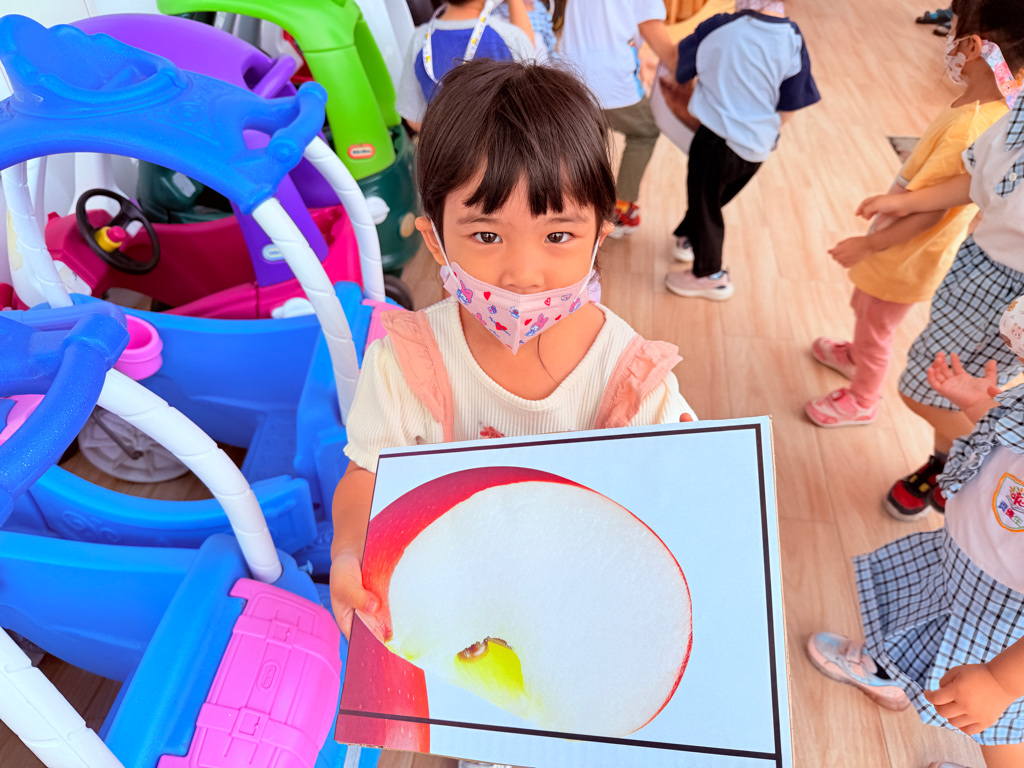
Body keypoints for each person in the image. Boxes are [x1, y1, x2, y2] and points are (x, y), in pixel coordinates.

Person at [330, 59, 697, 638]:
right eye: (486, 234)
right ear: (436, 240)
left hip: (576, 621)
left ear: (599, 235)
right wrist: (351, 549)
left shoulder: (634, 384)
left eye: (558, 235)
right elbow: (367, 474)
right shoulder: (408, 363)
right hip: (453, 611)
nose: (524, 274)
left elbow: (684, 502)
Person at [807, 297, 1024, 768]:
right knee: (916, 619)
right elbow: (1011, 437)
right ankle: (889, 671)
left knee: (1001, 735)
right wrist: (980, 406)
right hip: (962, 565)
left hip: (1005, 632)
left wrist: (1001, 682)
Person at [804, 0, 1010, 432]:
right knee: (865, 308)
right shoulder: (988, 109)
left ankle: (863, 398)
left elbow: (934, 211)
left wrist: (869, 244)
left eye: (952, 29)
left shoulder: (970, 125)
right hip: (902, 246)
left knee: (876, 329)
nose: (948, 39)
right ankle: (856, 356)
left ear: (973, 47)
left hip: (907, 254)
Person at [856, 0, 1024, 521]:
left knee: (926, 390)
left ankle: (990, 466)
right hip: (977, 272)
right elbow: (973, 180)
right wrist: (903, 202)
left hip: (1008, 296)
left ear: (972, 44)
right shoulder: (1011, 119)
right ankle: (946, 463)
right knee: (956, 385)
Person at [662, 0, 820, 301]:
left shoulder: (719, 26)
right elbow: (790, 104)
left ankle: (709, 276)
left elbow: (679, 67)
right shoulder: (793, 37)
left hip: (715, 142)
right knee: (711, 200)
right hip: (757, 149)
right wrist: (767, 133)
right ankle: (689, 236)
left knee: (706, 204)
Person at [558, 0, 679, 237]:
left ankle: (579, 206)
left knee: (591, 135)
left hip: (568, 74)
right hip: (611, 81)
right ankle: (620, 210)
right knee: (646, 131)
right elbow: (653, 32)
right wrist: (684, 70)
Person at [394, 0, 539, 130]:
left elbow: (414, 120)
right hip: (507, 147)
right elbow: (534, 98)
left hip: (449, 147)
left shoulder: (420, 40)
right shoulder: (510, 35)